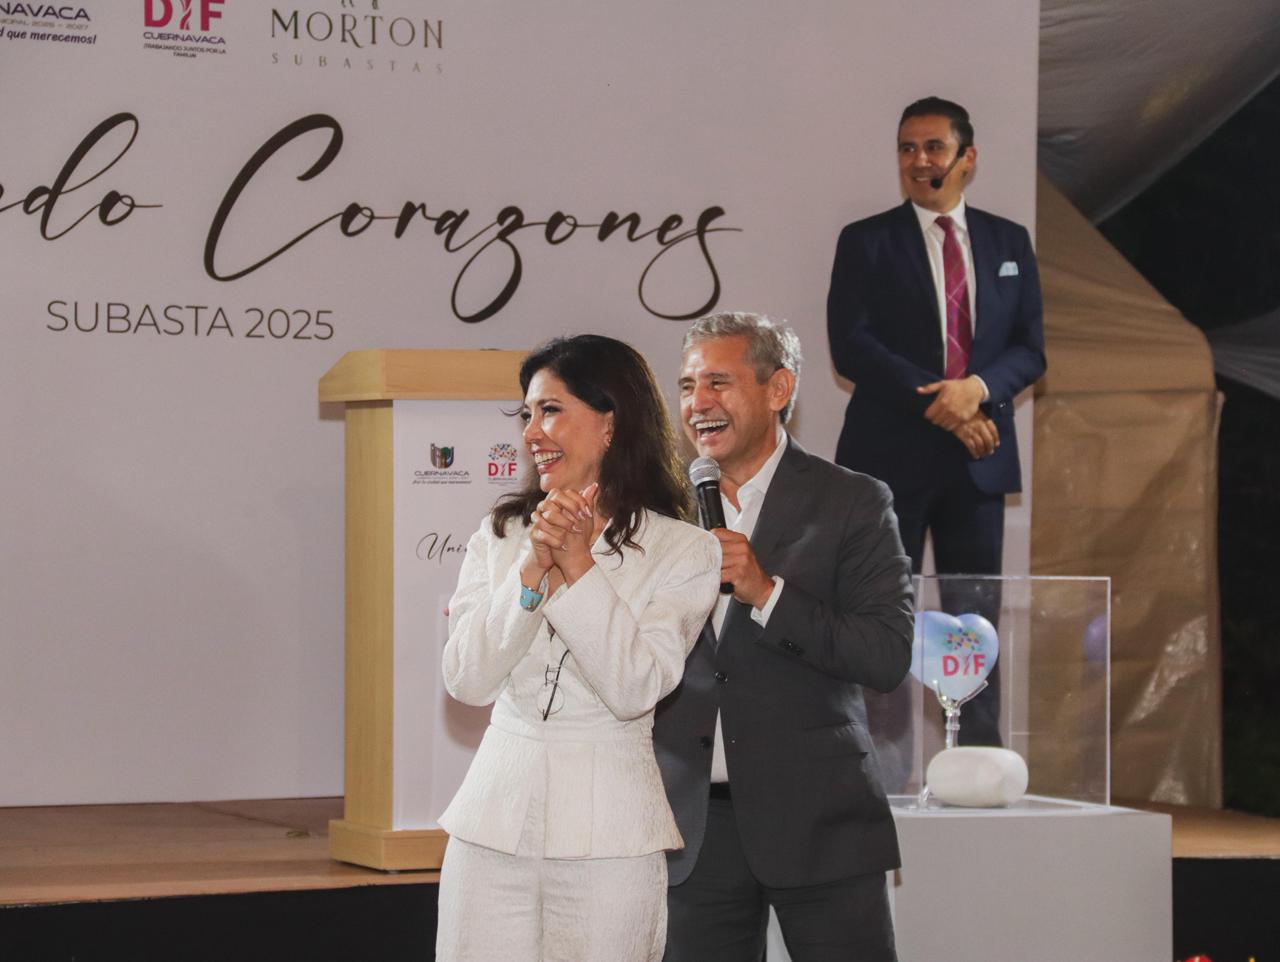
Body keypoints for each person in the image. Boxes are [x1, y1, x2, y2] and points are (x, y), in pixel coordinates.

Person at [436, 334, 722, 962]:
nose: (532, 432)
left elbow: (635, 687)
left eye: (551, 410)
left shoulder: (686, 550)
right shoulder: (502, 535)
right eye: (527, 414)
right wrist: (531, 573)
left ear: (611, 422)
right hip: (492, 825)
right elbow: (467, 681)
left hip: (612, 836)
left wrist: (578, 567)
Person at [654, 312, 914, 962]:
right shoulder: (660, 511)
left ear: (778, 389)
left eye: (718, 382)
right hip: (695, 829)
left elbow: (886, 653)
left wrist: (766, 592)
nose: (698, 403)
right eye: (687, 386)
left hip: (820, 819)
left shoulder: (853, 502)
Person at [826, 96, 1046, 744]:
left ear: (966, 158)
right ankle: (875, 766)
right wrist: (945, 408)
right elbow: (853, 346)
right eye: (907, 148)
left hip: (979, 461)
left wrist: (975, 389)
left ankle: (978, 764)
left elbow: (1030, 350)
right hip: (888, 461)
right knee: (879, 617)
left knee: (975, 620)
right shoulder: (866, 240)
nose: (919, 160)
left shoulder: (1009, 241)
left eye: (933, 147)